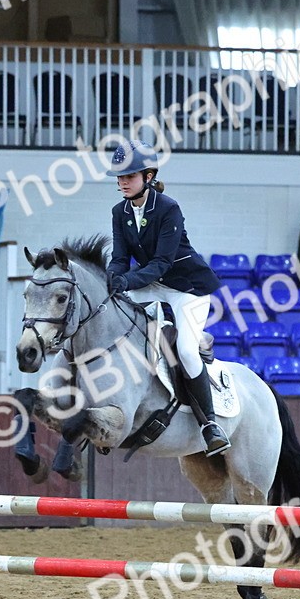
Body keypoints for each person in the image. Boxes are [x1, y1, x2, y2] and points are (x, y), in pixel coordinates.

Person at [104, 141, 230, 456]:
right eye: (119, 177)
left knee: (186, 352)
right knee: (108, 309)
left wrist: (127, 280)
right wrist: (110, 279)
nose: (122, 182)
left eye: (129, 176)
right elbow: (120, 258)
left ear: (148, 176)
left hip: (187, 289)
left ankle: (210, 425)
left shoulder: (168, 208)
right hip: (152, 286)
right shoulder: (119, 212)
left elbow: (161, 263)